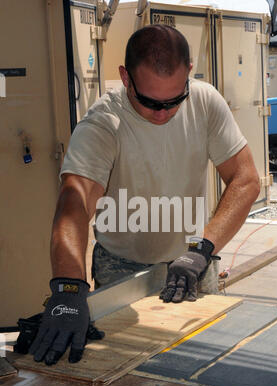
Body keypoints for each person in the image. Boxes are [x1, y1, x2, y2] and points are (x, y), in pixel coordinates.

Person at [29, 25, 260, 366]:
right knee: (126, 373)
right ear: (125, 78)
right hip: (121, 268)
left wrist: (203, 248)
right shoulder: (103, 124)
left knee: (204, 367)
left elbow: (245, 179)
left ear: (189, 74)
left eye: (174, 100)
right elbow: (73, 206)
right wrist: (67, 288)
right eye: (150, 102)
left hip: (193, 260)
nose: (163, 113)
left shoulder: (206, 102)